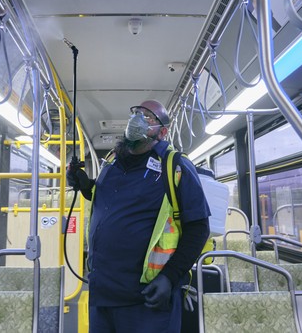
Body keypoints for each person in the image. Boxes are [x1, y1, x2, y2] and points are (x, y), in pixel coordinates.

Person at [67, 99, 210, 333]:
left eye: (148, 117)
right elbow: (112, 201)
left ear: (162, 132)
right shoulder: (113, 161)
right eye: (137, 113)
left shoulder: (175, 166)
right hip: (102, 293)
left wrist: (170, 277)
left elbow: (198, 228)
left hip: (146, 298)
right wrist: (85, 185)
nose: (138, 119)